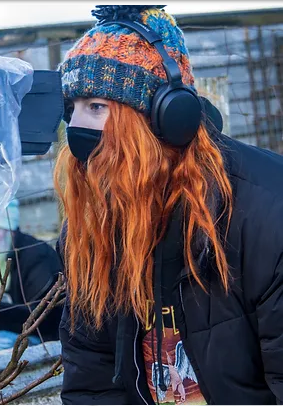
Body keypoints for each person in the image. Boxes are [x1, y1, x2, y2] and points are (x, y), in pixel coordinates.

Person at [53, 5, 283, 405]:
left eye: (96, 107)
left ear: (165, 116)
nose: (77, 128)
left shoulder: (266, 212)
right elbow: (90, 378)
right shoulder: (92, 226)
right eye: (71, 109)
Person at [0, 199, 64, 354]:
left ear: (4, 227)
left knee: (1, 342)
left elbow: (44, 314)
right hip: (7, 333)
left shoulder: (36, 255)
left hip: (44, 337)